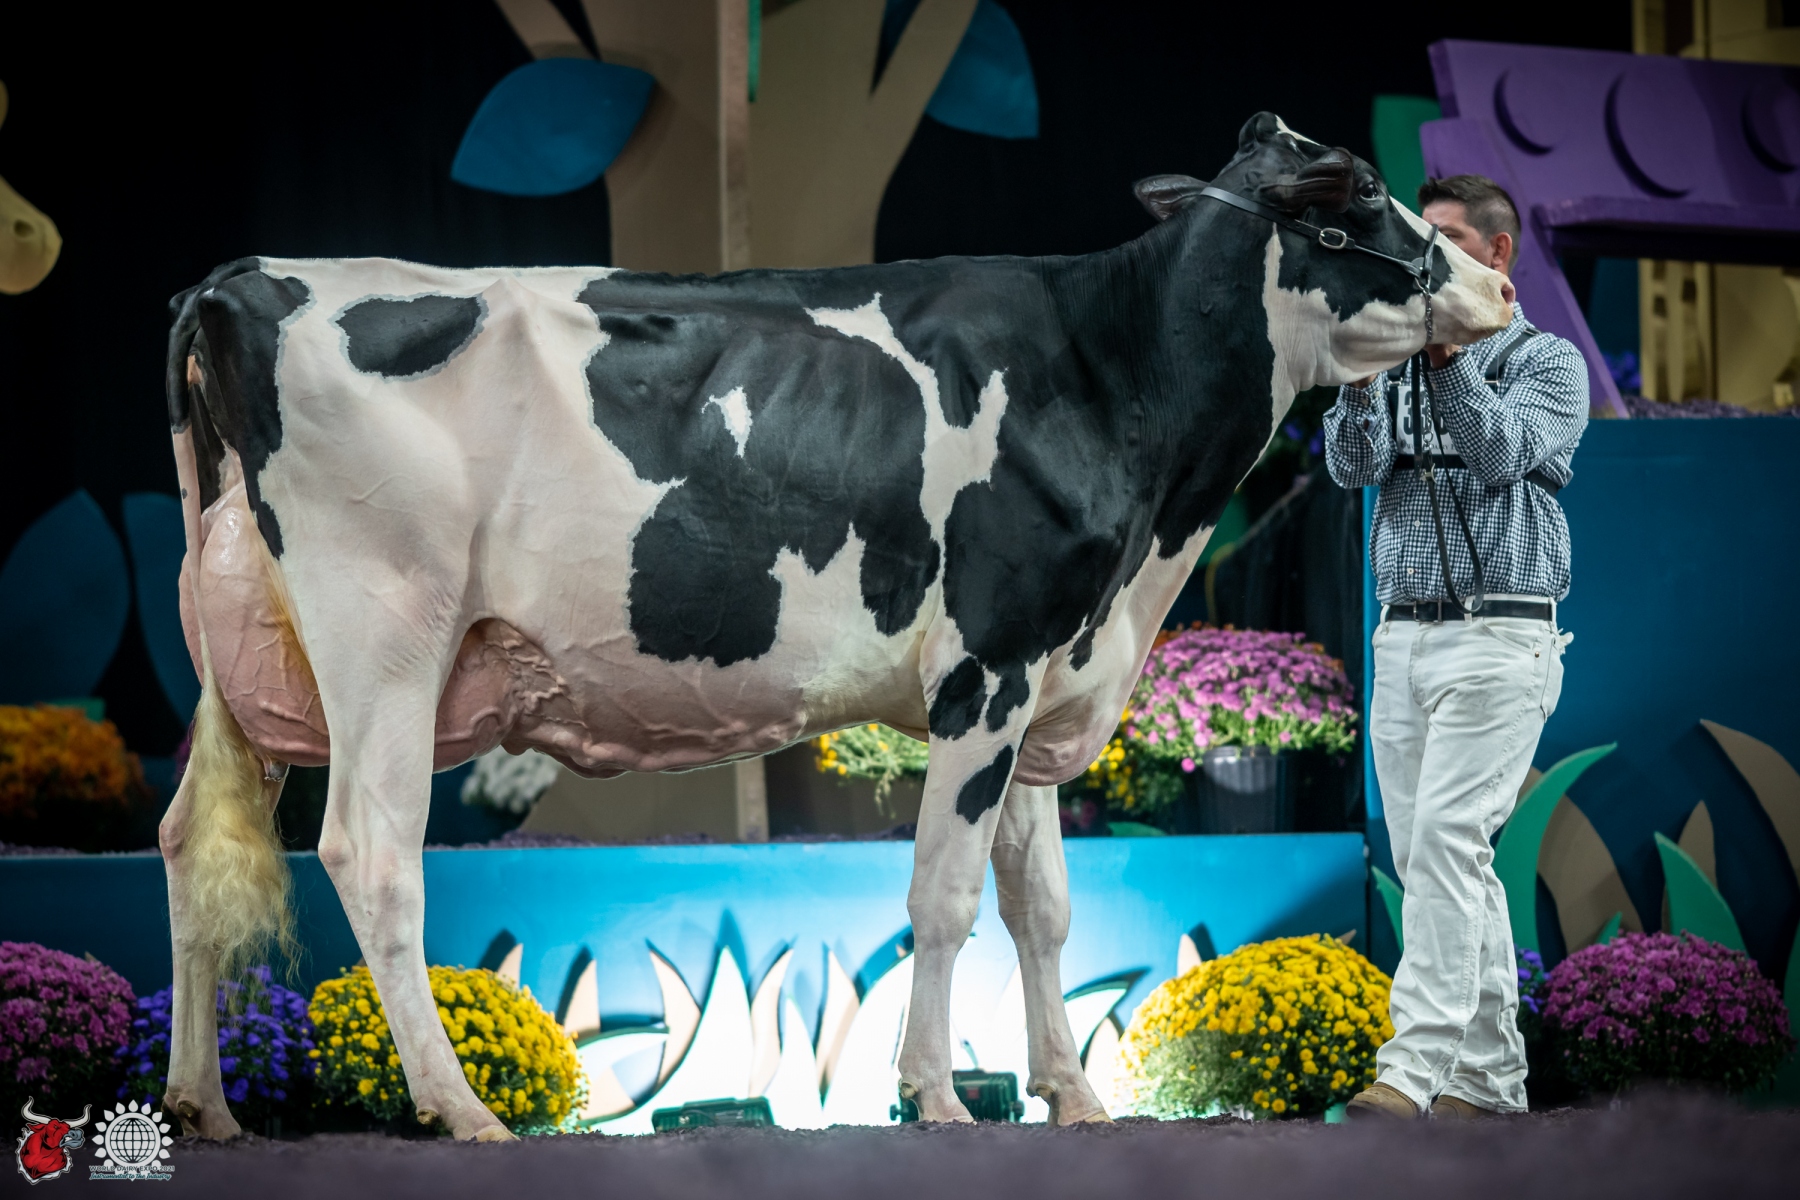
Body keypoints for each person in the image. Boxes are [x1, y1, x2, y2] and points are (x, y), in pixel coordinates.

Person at [1323, 175, 1587, 1120]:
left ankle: (1412, 1071)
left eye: (1441, 240)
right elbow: (1350, 467)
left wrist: (1444, 360)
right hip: (1401, 635)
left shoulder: (1549, 361)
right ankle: (1491, 1083)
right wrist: (1363, 379)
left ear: (1496, 253)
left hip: (1501, 634)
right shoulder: (1396, 359)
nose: (1420, 257)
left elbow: (1501, 451)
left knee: (1444, 843)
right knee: (1439, 860)